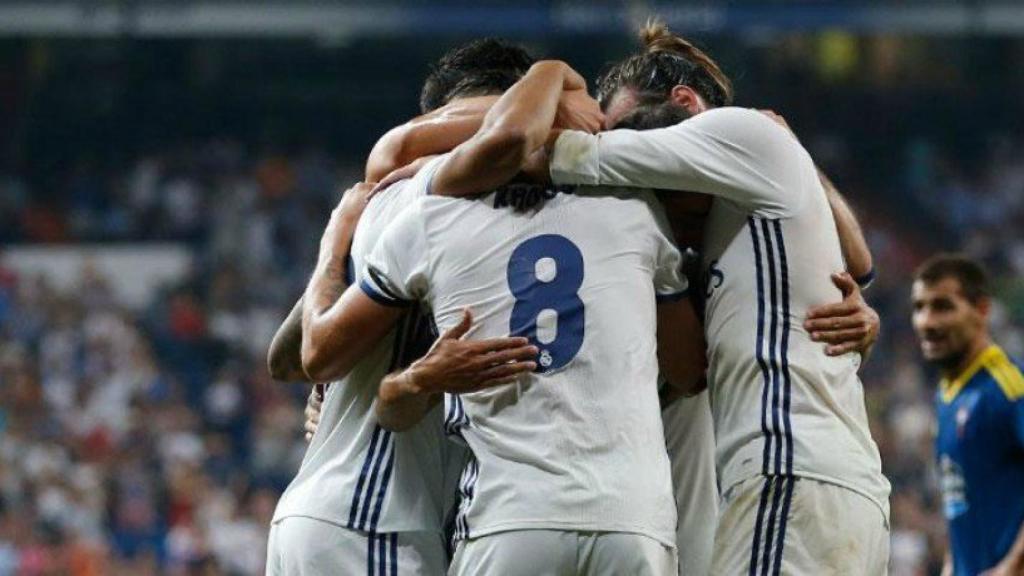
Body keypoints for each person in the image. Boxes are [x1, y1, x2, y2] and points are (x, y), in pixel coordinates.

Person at [465, 22, 890, 575]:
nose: (625, 149)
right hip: (828, 486)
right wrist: (797, 153)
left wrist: (407, 148)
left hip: (789, 472)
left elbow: (523, 149)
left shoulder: (732, 133)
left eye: (625, 130)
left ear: (685, 103)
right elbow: (860, 265)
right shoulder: (723, 220)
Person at [299, 58, 707, 575]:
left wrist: (336, 252)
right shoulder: (632, 204)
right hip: (634, 521)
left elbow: (311, 355)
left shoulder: (424, 210)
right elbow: (689, 369)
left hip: (508, 516)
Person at [264, 39, 546, 576]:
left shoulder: (388, 209)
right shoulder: (432, 207)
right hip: (376, 519)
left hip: (330, 516)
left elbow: (285, 361)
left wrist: (334, 246)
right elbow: (296, 360)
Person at [911, 254, 1024, 576]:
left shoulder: (1009, 386)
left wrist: (1013, 565)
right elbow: (962, 503)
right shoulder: (947, 396)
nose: (927, 322)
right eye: (919, 307)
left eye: (943, 306)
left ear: (982, 310)